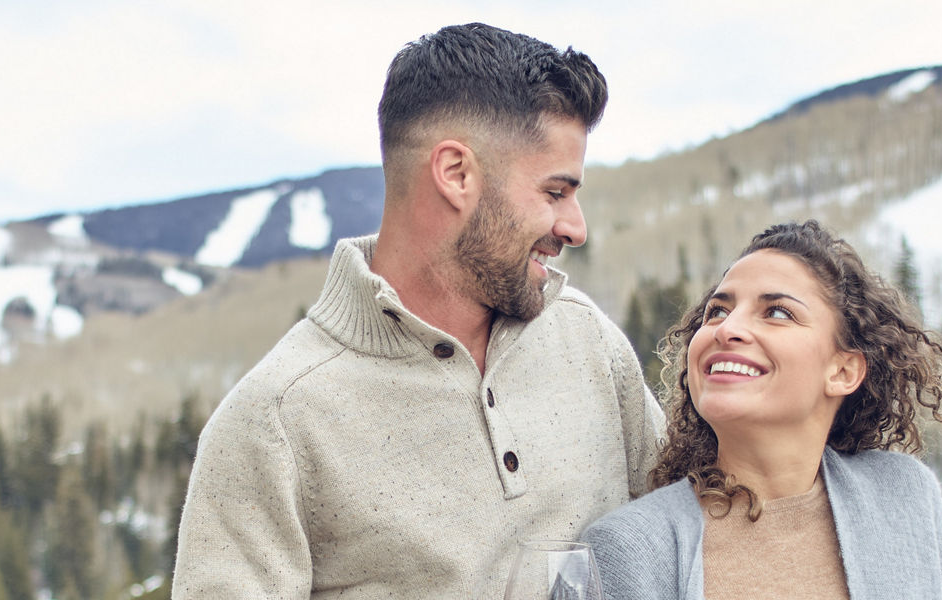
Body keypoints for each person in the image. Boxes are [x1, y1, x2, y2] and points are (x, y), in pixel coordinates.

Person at [172, 23, 665, 599]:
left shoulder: (588, 341)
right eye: (555, 193)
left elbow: (697, 531)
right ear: (456, 174)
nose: (575, 228)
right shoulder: (274, 421)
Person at [582, 220, 942, 600]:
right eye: (718, 311)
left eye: (778, 312)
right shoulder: (628, 549)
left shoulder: (904, 496)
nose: (726, 328)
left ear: (843, 370)